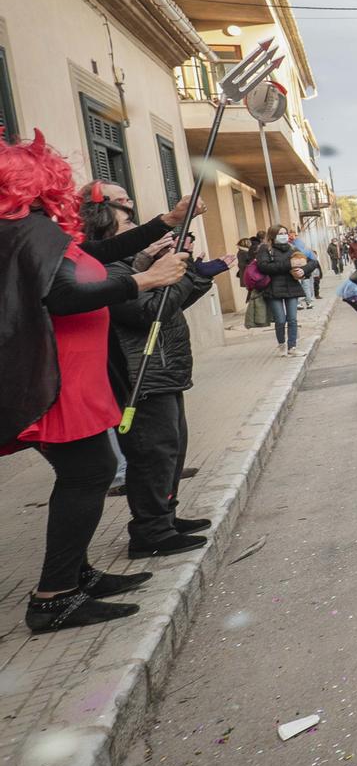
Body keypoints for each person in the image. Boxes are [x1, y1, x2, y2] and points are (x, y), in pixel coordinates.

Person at [3, 134, 197, 632]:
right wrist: (147, 281)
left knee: (87, 471)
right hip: (60, 382)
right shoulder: (27, 231)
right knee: (91, 472)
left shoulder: (31, 230)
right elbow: (64, 296)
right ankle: (55, 596)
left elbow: (97, 251)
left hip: (75, 376)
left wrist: (166, 223)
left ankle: (75, 575)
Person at [82, 184, 219, 559]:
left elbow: (170, 305)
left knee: (172, 449)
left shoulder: (129, 265)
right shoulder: (107, 271)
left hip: (163, 368)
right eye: (127, 220)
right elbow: (147, 312)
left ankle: (166, 518)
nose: (135, 226)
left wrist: (190, 274)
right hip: (140, 373)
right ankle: (151, 532)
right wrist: (173, 272)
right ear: (107, 228)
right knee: (152, 453)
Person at [255, 225, 308, 358]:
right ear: (273, 235)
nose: (284, 235)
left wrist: (303, 270)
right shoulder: (265, 249)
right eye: (280, 233)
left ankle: (292, 347)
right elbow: (264, 267)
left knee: (292, 319)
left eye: (285, 233)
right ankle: (282, 344)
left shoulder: (292, 248)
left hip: (292, 286)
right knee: (280, 320)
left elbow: (309, 261)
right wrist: (288, 265)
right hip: (273, 288)